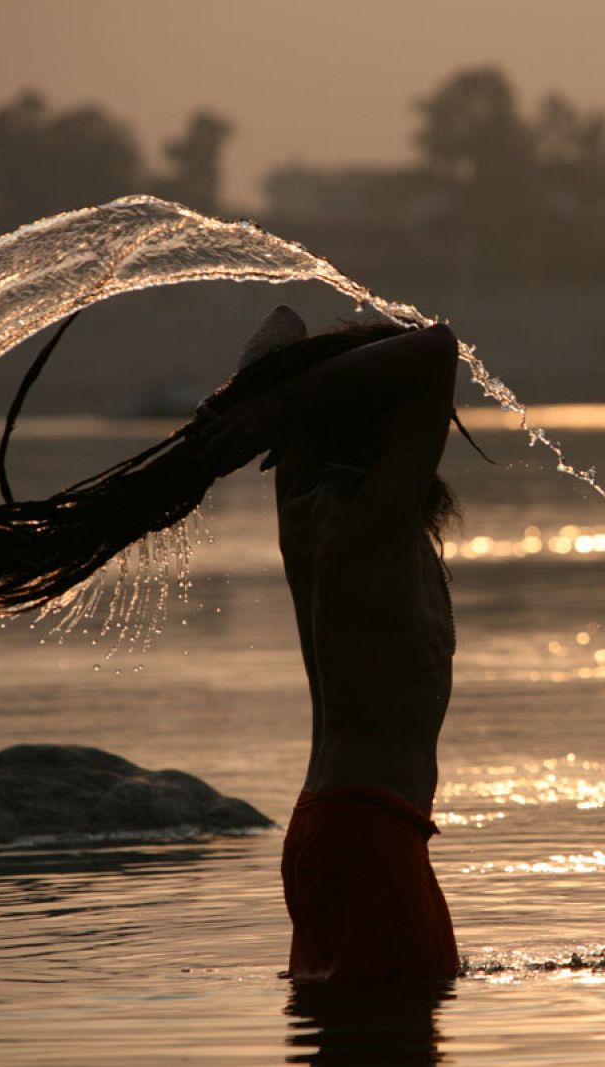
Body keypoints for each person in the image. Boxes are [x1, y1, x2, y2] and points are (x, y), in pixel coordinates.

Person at [194, 305, 463, 983]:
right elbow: (438, 350)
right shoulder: (372, 523)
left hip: (342, 828)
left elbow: (279, 324)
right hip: (371, 832)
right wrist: (289, 397)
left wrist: (275, 400)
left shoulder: (302, 505)